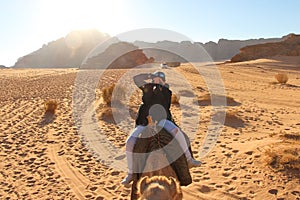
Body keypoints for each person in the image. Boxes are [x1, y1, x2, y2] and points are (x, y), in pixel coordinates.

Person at [121, 71, 201, 186]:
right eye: (155, 79)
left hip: (163, 120)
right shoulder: (146, 88)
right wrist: (149, 76)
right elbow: (136, 78)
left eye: (160, 80)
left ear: (164, 81)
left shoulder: (166, 91)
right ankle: (130, 174)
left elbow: (163, 102)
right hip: (145, 121)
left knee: (176, 131)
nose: (157, 81)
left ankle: (189, 160)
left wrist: (158, 85)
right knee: (130, 142)